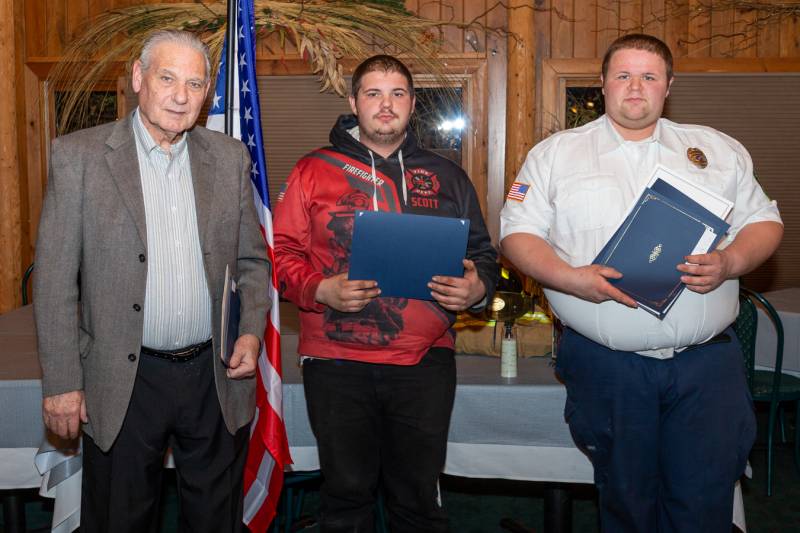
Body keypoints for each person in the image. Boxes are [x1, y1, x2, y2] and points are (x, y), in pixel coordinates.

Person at [500, 34, 783, 533]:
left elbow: (765, 223)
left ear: (668, 86)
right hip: (608, 369)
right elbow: (518, 235)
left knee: (704, 500)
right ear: (603, 84)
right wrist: (571, 279)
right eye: (624, 75)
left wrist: (731, 260)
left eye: (649, 76)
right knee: (627, 502)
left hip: (705, 367)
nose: (636, 87)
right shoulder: (555, 155)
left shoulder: (716, 149)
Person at [33, 30, 270, 533]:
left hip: (214, 375)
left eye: (195, 83)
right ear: (139, 78)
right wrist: (61, 383)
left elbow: (252, 263)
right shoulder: (79, 157)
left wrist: (249, 331)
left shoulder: (229, 159)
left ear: (207, 93)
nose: (181, 96)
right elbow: (53, 280)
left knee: (214, 520)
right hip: (123, 380)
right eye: (167, 78)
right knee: (120, 518)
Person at [273, 54, 498, 532]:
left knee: (417, 503)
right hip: (336, 362)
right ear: (354, 102)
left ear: (412, 104)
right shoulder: (313, 170)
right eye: (373, 93)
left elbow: (483, 255)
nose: (386, 105)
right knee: (346, 498)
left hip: (424, 362)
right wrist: (320, 289)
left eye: (398, 94)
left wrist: (476, 288)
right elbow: (279, 252)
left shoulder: (448, 175)